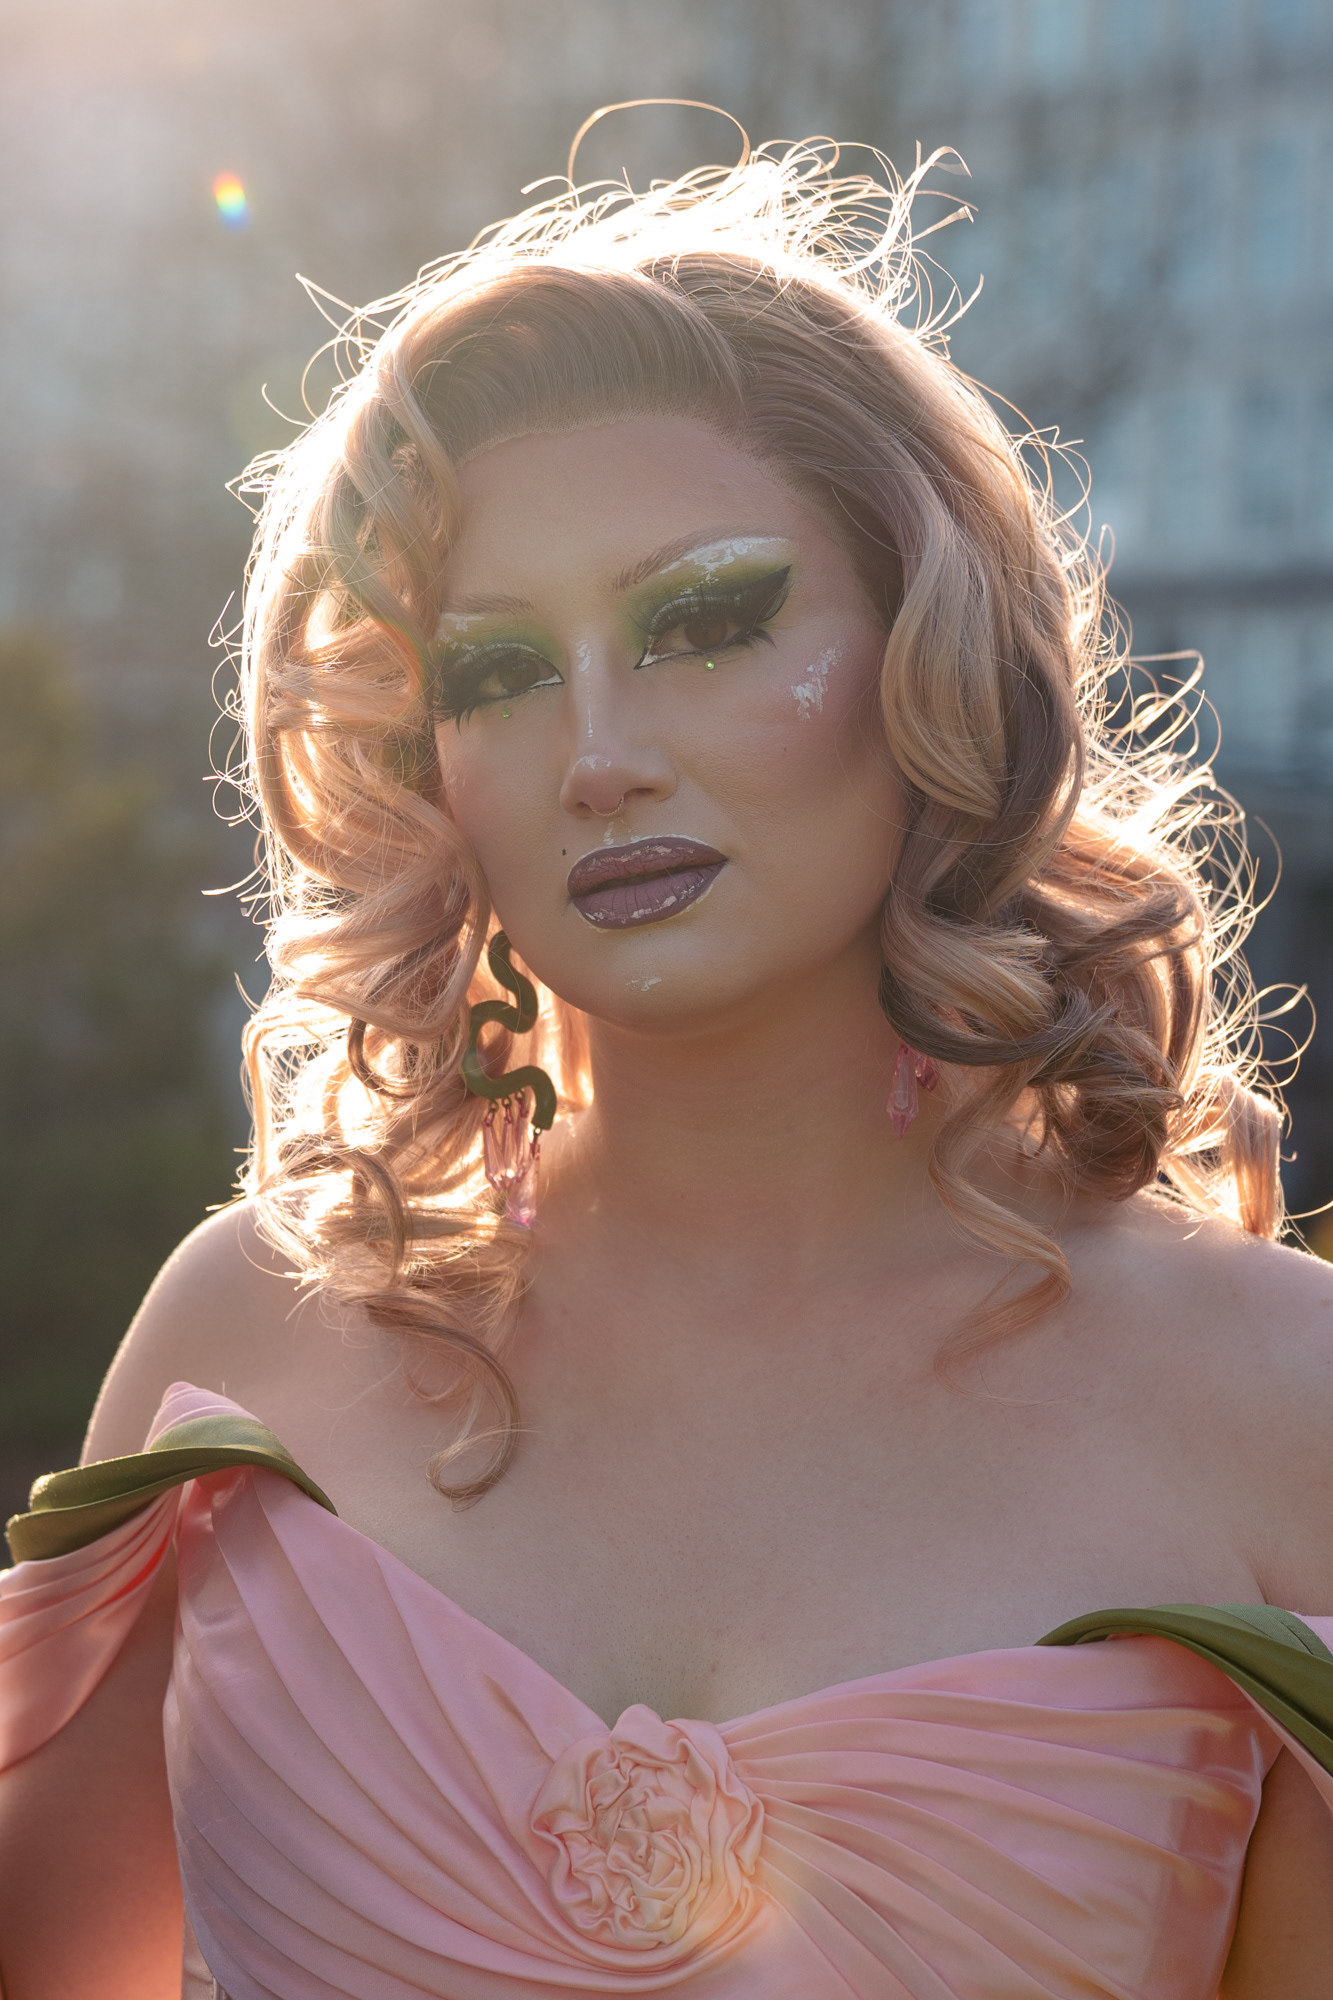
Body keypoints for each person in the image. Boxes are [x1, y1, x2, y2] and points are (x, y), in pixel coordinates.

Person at [2, 132, 1332, 2000]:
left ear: (928, 653)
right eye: (492, 671)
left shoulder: (1282, 1404)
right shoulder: (255, 1335)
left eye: (704, 621)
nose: (598, 749)